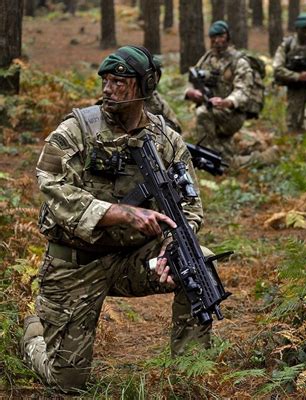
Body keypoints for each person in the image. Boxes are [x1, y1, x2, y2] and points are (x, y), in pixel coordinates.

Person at [22, 45, 213, 393]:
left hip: (134, 261)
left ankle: (189, 373)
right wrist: (119, 212)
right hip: (76, 265)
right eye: (106, 81)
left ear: (145, 86)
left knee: (196, 260)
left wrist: (172, 245)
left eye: (120, 82)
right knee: (68, 383)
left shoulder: (166, 140)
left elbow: (191, 205)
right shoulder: (77, 129)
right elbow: (51, 184)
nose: (108, 89)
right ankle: (35, 335)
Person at [184, 20, 254, 162]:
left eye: (221, 36)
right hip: (211, 109)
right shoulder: (206, 59)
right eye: (214, 37)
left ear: (228, 36)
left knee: (202, 113)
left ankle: (206, 160)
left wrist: (228, 102)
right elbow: (193, 80)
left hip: (232, 114)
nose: (217, 40)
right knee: (225, 154)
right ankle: (221, 156)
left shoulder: (238, 62)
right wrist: (191, 92)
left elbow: (244, 90)